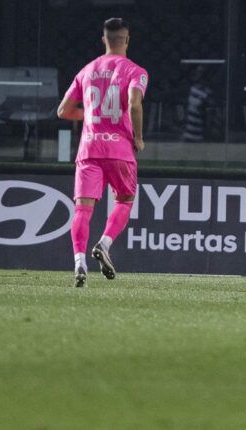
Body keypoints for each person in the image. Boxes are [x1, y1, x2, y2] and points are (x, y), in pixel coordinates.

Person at [57, 18, 148, 287]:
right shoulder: (135, 71)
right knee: (125, 200)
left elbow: (63, 111)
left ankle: (79, 264)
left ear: (104, 40)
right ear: (127, 39)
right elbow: (134, 103)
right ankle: (104, 244)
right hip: (119, 148)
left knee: (83, 210)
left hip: (89, 147)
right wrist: (139, 137)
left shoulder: (87, 70)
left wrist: (91, 115)